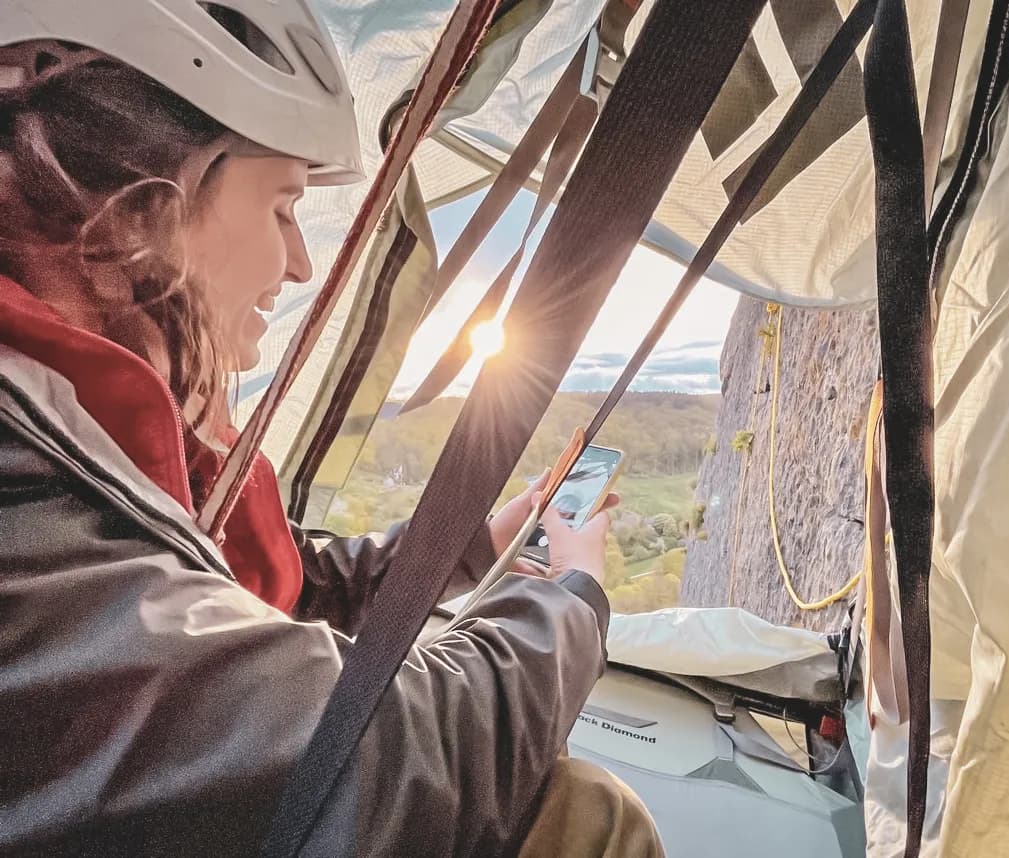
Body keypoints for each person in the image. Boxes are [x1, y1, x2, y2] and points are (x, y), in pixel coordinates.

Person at [0, 3, 662, 856]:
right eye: (283, 206)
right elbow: (378, 754)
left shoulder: (63, 428)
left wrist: (466, 547)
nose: (302, 262)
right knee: (584, 818)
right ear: (138, 213)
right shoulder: (21, 472)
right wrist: (569, 594)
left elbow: (256, 590)